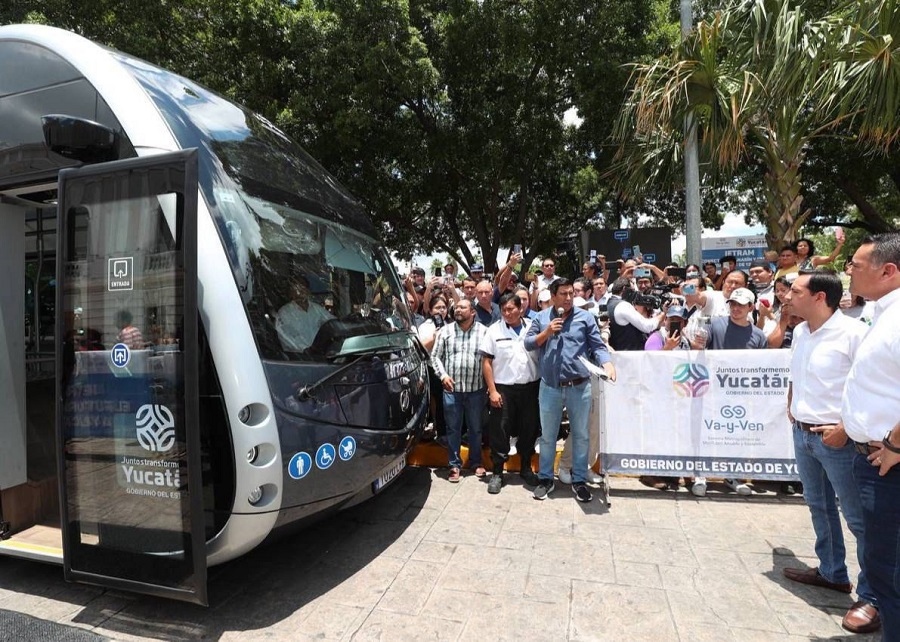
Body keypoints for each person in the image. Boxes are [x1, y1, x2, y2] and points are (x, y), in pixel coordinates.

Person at [782, 269, 878, 634]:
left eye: (795, 290)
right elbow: (796, 375)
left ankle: (873, 595)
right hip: (803, 435)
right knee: (818, 505)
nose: (787, 295)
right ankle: (832, 571)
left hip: (840, 441)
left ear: (820, 297)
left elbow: (871, 385)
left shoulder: (855, 334)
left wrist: (844, 428)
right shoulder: (802, 331)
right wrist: (793, 405)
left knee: (859, 520)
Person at [840, 233, 900, 638]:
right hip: (873, 459)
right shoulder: (881, 312)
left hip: (889, 464)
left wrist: (896, 443)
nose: (848, 271)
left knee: (890, 574)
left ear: (888, 270)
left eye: (856, 265)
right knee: (884, 570)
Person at [524, 278, 616, 503]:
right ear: (553, 296)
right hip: (550, 387)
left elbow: (596, 346)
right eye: (563, 294)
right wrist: (546, 332)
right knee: (547, 436)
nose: (568, 298)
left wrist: (607, 363)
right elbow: (528, 343)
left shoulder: (585, 318)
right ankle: (546, 479)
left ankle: (579, 480)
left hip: (579, 386)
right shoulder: (541, 317)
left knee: (582, 435)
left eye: (570, 294)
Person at [699, 287, 767, 496]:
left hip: (741, 394)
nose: (736, 309)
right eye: (733, 304)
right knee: (706, 432)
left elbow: (761, 365)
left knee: (736, 435)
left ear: (751, 307)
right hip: (711, 390)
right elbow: (699, 347)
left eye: (741, 305)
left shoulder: (758, 335)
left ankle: (732, 475)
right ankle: (700, 475)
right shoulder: (715, 324)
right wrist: (697, 344)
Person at [481, 293, 541, 493]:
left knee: (529, 428)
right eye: (504, 309)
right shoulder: (494, 330)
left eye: (511, 309)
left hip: (530, 388)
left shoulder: (533, 327)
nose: (507, 313)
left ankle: (526, 468)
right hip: (503, 389)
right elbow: (487, 362)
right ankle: (498, 472)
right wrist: (492, 391)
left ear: (520, 308)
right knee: (500, 430)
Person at [430, 298, 488, 482]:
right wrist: (443, 376)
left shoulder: (484, 332)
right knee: (453, 429)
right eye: (457, 308)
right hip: (452, 390)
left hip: (476, 390)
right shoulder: (445, 331)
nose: (458, 310)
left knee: (475, 429)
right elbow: (435, 357)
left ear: (473, 312)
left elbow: (490, 359)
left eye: (463, 307)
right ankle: (454, 465)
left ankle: (476, 462)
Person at [276, 275, 334, 351]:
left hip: (318, 354)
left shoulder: (317, 309)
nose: (300, 291)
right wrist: (305, 349)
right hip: (297, 358)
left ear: (308, 290)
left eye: (303, 287)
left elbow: (332, 322)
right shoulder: (284, 312)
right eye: (296, 288)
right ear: (290, 292)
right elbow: (285, 339)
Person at [607, 278, 665, 351]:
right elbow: (647, 326)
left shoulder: (609, 303)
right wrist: (662, 315)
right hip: (629, 356)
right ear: (625, 289)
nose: (634, 294)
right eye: (632, 291)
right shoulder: (623, 305)